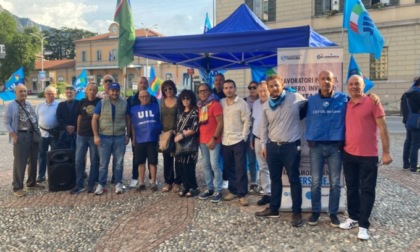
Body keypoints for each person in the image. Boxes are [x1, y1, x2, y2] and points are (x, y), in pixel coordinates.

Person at [339, 75, 393, 240]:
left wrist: (386, 152)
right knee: (352, 188)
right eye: (351, 84)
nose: (354, 86)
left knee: (367, 190)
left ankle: (363, 225)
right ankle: (353, 218)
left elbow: (383, 128)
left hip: (368, 156)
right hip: (349, 154)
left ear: (364, 86)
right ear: (347, 87)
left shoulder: (372, 102)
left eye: (357, 84)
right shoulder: (346, 104)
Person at [255, 74, 306, 228]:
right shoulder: (266, 105)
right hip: (272, 147)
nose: (274, 88)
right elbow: (264, 128)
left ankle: (296, 212)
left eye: (276, 85)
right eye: (271, 86)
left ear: (282, 85)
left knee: (294, 179)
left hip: (291, 146)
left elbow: (311, 106)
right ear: (268, 89)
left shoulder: (295, 97)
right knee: (275, 179)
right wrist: (264, 146)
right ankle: (274, 208)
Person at [305, 70, 347, 227]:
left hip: (335, 148)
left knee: (335, 183)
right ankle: (316, 212)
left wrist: (371, 97)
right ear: (318, 81)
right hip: (316, 147)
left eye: (328, 79)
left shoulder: (343, 99)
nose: (326, 82)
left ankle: (333, 213)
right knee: (315, 182)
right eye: (322, 79)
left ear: (334, 81)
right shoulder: (311, 100)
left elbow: (358, 100)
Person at [4, 85, 44, 197]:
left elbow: (34, 118)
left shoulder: (29, 104)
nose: (23, 93)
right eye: (21, 91)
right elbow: (6, 122)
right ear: (15, 92)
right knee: (20, 163)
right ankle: (17, 187)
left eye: (25, 91)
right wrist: (13, 135)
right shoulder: (10, 105)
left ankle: (31, 182)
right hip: (20, 135)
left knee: (33, 160)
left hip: (32, 135)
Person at [92, 83, 129, 195]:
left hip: (119, 136)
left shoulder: (124, 103)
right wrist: (96, 135)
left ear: (119, 91)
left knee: (118, 162)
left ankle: (118, 183)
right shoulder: (101, 103)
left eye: (116, 90)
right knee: (103, 163)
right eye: (112, 90)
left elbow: (128, 120)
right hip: (104, 136)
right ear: (109, 91)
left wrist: (128, 135)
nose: (114, 93)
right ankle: (101, 184)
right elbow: (94, 119)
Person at [220, 79, 251, 206]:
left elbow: (247, 121)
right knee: (229, 168)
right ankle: (233, 191)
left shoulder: (242, 103)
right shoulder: (221, 103)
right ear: (223, 90)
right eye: (226, 88)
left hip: (238, 140)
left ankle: (242, 194)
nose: (228, 90)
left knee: (240, 168)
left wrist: (244, 137)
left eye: (231, 87)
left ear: (235, 89)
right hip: (225, 140)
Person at [126, 76, 158, 188]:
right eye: (141, 82)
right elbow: (129, 119)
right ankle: (137, 178)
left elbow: (158, 117)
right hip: (138, 135)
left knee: (152, 158)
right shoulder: (131, 100)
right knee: (138, 158)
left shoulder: (154, 100)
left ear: (147, 84)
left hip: (152, 136)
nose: (143, 84)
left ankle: (152, 180)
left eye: (145, 83)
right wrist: (130, 135)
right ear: (138, 84)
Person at [70, 83, 101, 194]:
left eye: (94, 89)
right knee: (78, 160)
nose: (92, 91)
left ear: (97, 91)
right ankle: (79, 184)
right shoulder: (82, 102)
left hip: (93, 135)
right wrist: (78, 131)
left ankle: (91, 184)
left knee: (94, 161)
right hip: (81, 135)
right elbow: (79, 116)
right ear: (86, 91)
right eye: (90, 89)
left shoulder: (99, 102)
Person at [130, 90, 162, 192]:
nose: (144, 98)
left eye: (146, 96)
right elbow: (133, 125)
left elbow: (160, 120)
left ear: (149, 97)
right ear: (139, 98)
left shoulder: (155, 107)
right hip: (140, 139)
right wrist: (133, 138)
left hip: (152, 138)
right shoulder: (134, 109)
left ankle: (153, 182)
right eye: (142, 97)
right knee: (141, 162)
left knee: (153, 161)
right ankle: (141, 182)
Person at [197, 83, 224, 203]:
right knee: (206, 166)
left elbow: (220, 123)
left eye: (205, 91)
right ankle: (210, 189)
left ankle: (218, 190)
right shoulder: (201, 106)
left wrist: (214, 138)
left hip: (213, 140)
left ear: (209, 92)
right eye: (200, 91)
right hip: (202, 140)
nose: (202, 93)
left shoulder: (215, 104)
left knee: (215, 165)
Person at [175, 89, 200, 198]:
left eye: (188, 98)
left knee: (189, 166)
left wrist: (182, 135)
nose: (185, 100)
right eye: (183, 98)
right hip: (179, 144)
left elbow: (195, 128)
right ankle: (185, 186)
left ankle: (194, 187)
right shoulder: (180, 112)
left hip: (190, 143)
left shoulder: (195, 112)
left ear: (191, 99)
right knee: (181, 166)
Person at [159, 80, 182, 193]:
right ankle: (168, 182)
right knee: (167, 159)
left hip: (177, 134)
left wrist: (179, 132)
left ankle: (177, 182)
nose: (168, 91)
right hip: (165, 134)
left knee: (178, 159)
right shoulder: (161, 101)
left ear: (174, 89)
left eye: (170, 88)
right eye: (165, 89)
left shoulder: (179, 101)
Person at [251, 81, 271, 206]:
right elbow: (255, 121)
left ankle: (276, 192)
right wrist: (252, 138)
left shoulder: (274, 103)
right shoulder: (256, 103)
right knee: (263, 167)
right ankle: (267, 193)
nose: (262, 93)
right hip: (257, 139)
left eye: (265, 90)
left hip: (270, 141)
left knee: (273, 168)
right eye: (260, 91)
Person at [36, 86, 59, 182]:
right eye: (49, 93)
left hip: (55, 134)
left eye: (53, 93)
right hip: (42, 134)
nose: (51, 95)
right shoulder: (39, 106)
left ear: (55, 94)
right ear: (45, 94)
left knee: (54, 155)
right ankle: (41, 175)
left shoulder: (59, 105)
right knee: (41, 155)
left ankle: (54, 174)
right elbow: (36, 118)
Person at [400, 77, 420, 173]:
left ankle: (406, 164)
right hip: (417, 122)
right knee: (415, 144)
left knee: (408, 141)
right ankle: (413, 166)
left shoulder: (406, 93)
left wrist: (406, 119)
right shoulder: (418, 94)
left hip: (408, 121)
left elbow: (403, 109)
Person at [244, 81, 259, 194]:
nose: (252, 89)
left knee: (257, 160)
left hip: (257, 134)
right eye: (250, 88)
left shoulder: (262, 101)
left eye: (254, 87)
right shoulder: (244, 101)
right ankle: (248, 182)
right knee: (246, 159)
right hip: (245, 133)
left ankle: (257, 182)